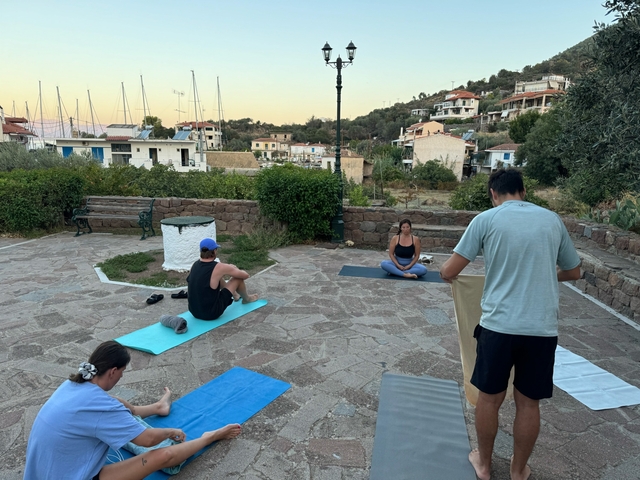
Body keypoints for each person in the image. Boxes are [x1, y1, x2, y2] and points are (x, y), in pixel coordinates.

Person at [439, 169, 581, 480]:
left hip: (499, 326)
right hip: (541, 329)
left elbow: (449, 270)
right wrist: (545, 274)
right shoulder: (552, 220)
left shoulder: (486, 220)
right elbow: (574, 272)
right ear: (524, 191)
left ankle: (485, 466)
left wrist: (448, 273)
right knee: (529, 404)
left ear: (493, 194)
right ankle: (518, 471)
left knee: (490, 398)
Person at [24, 340, 241, 480]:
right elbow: (146, 440)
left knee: (115, 404)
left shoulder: (73, 385)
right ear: (113, 371)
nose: (121, 377)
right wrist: (169, 432)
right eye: (122, 372)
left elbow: (108, 406)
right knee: (162, 455)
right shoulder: (101, 407)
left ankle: (158, 407)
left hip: (39, 472)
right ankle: (209, 437)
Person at [187, 238, 258, 320]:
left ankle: (235, 295)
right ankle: (247, 299)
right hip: (211, 313)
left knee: (216, 277)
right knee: (238, 279)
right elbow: (245, 275)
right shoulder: (218, 267)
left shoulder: (195, 265)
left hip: (194, 311)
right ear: (214, 251)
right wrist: (234, 268)